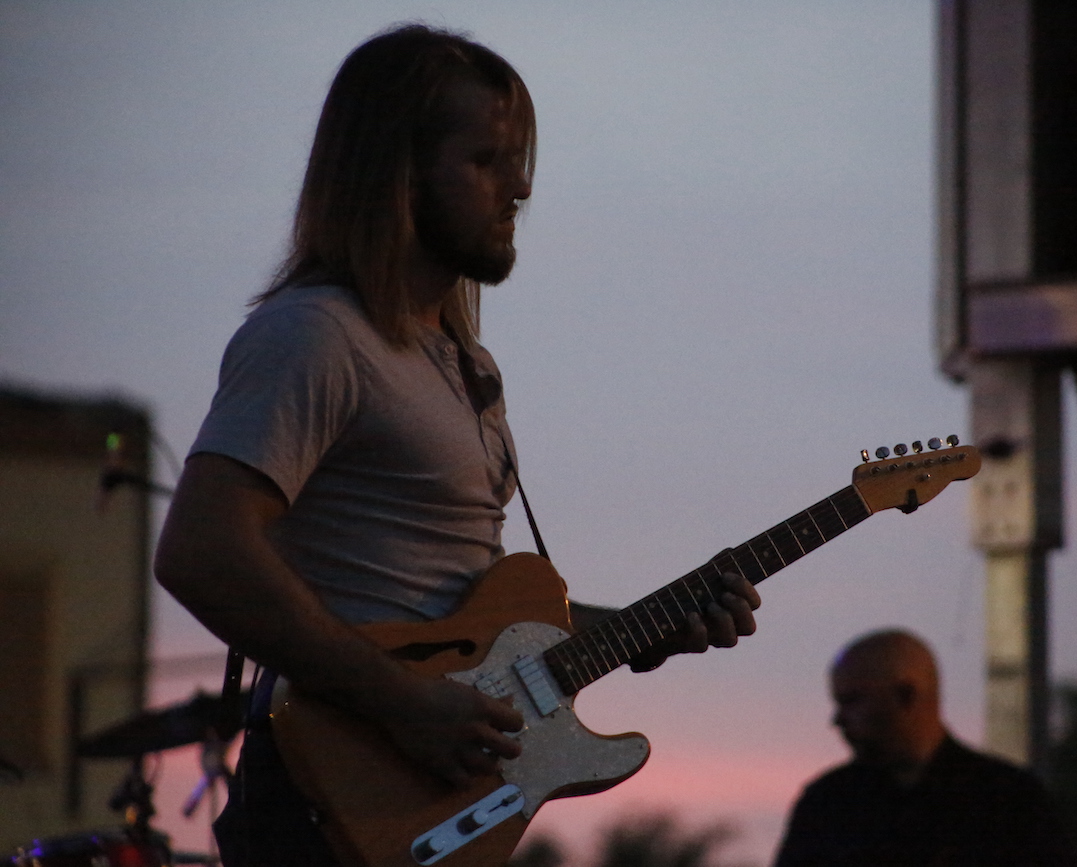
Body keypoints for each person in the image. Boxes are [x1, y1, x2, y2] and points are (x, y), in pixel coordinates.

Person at [152, 24, 760, 867]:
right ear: (397, 174)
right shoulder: (316, 335)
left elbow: (468, 619)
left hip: (428, 802)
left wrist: (649, 627)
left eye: (519, 162)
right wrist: (404, 705)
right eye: (486, 161)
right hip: (330, 792)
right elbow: (200, 551)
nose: (519, 189)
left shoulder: (463, 363)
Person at [774, 629, 1077, 867]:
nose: (837, 719)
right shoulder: (825, 804)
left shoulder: (1008, 798)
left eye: (852, 700)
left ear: (906, 695)